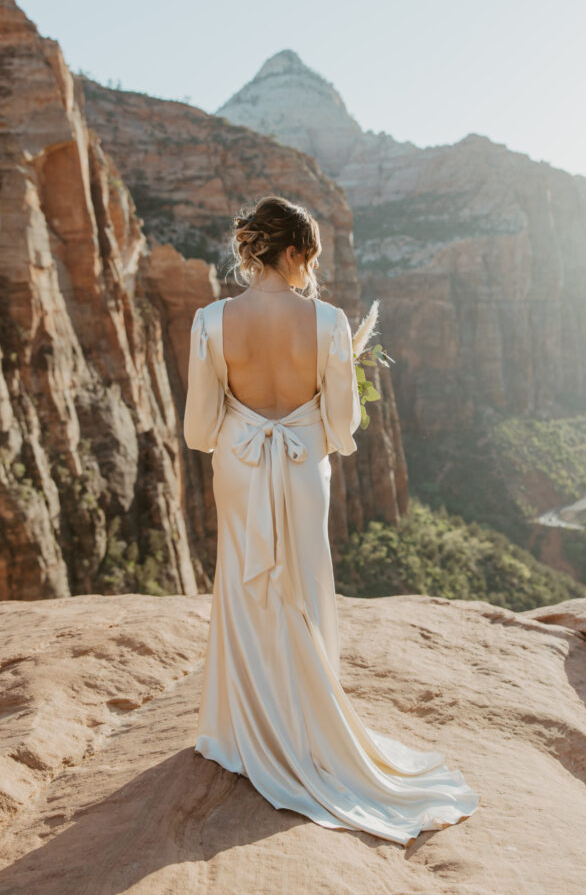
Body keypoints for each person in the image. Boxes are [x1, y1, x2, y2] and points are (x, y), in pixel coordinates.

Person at [183, 195, 480, 846]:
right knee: (303, 585)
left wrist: (245, 423)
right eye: (307, 259)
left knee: (244, 583)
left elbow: (199, 429)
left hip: (239, 461)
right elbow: (342, 426)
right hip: (300, 465)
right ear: (293, 252)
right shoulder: (325, 322)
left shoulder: (209, 320)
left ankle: (242, 730)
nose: (309, 271)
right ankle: (310, 727)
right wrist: (322, 391)